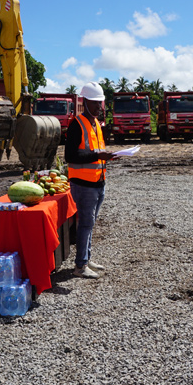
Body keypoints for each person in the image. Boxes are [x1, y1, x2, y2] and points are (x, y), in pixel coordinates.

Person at [64, 81, 118, 279]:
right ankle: (80, 266)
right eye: (95, 103)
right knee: (85, 224)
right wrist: (98, 156)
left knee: (90, 223)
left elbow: (95, 151)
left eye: (100, 103)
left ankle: (86, 258)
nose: (99, 107)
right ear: (85, 102)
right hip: (83, 184)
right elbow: (70, 156)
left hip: (98, 182)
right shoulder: (76, 125)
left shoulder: (95, 123)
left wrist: (108, 156)